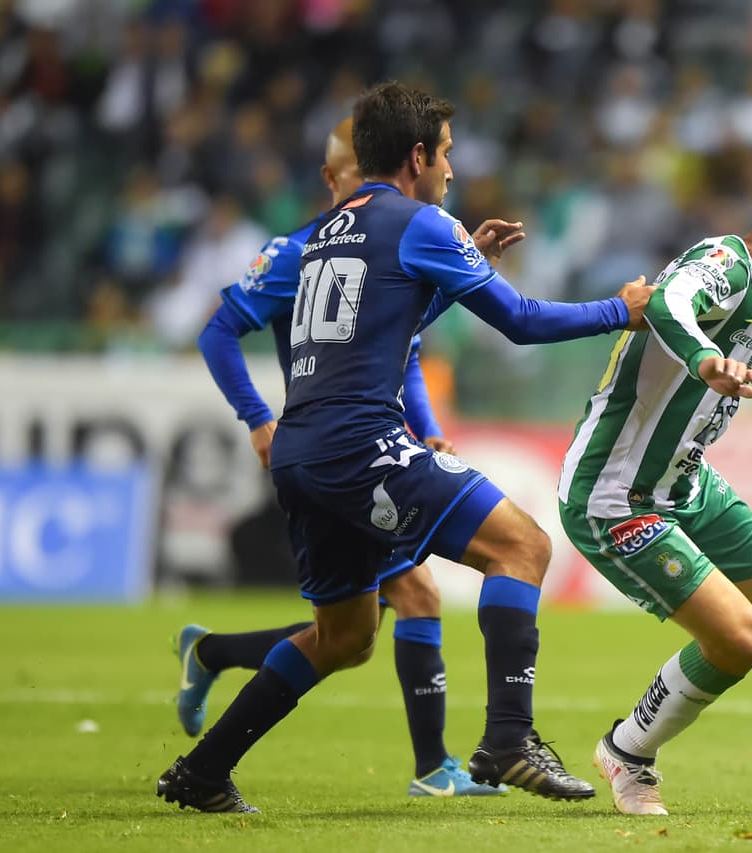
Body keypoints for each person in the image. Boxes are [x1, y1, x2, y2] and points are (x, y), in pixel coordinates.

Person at [155, 82, 651, 813]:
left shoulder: (321, 232)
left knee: (345, 633)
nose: (452, 169)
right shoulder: (423, 222)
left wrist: (458, 266)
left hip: (300, 451)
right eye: (446, 154)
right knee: (523, 547)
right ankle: (509, 738)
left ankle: (201, 771)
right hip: (363, 443)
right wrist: (622, 310)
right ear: (417, 155)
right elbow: (519, 320)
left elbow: (383, 316)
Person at [178, 117, 524, 798]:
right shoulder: (298, 251)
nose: (353, 184)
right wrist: (257, 418)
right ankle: (436, 769)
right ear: (334, 178)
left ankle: (213, 665)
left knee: (350, 633)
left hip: (373, 439)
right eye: (344, 173)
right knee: (414, 596)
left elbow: (406, 352)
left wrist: (424, 425)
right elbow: (218, 331)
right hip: (343, 448)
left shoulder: (394, 238)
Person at [557, 157, 752, 815]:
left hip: (683, 480)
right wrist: (705, 357)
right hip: (616, 495)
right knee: (735, 636)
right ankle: (627, 751)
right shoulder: (726, 265)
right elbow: (673, 299)